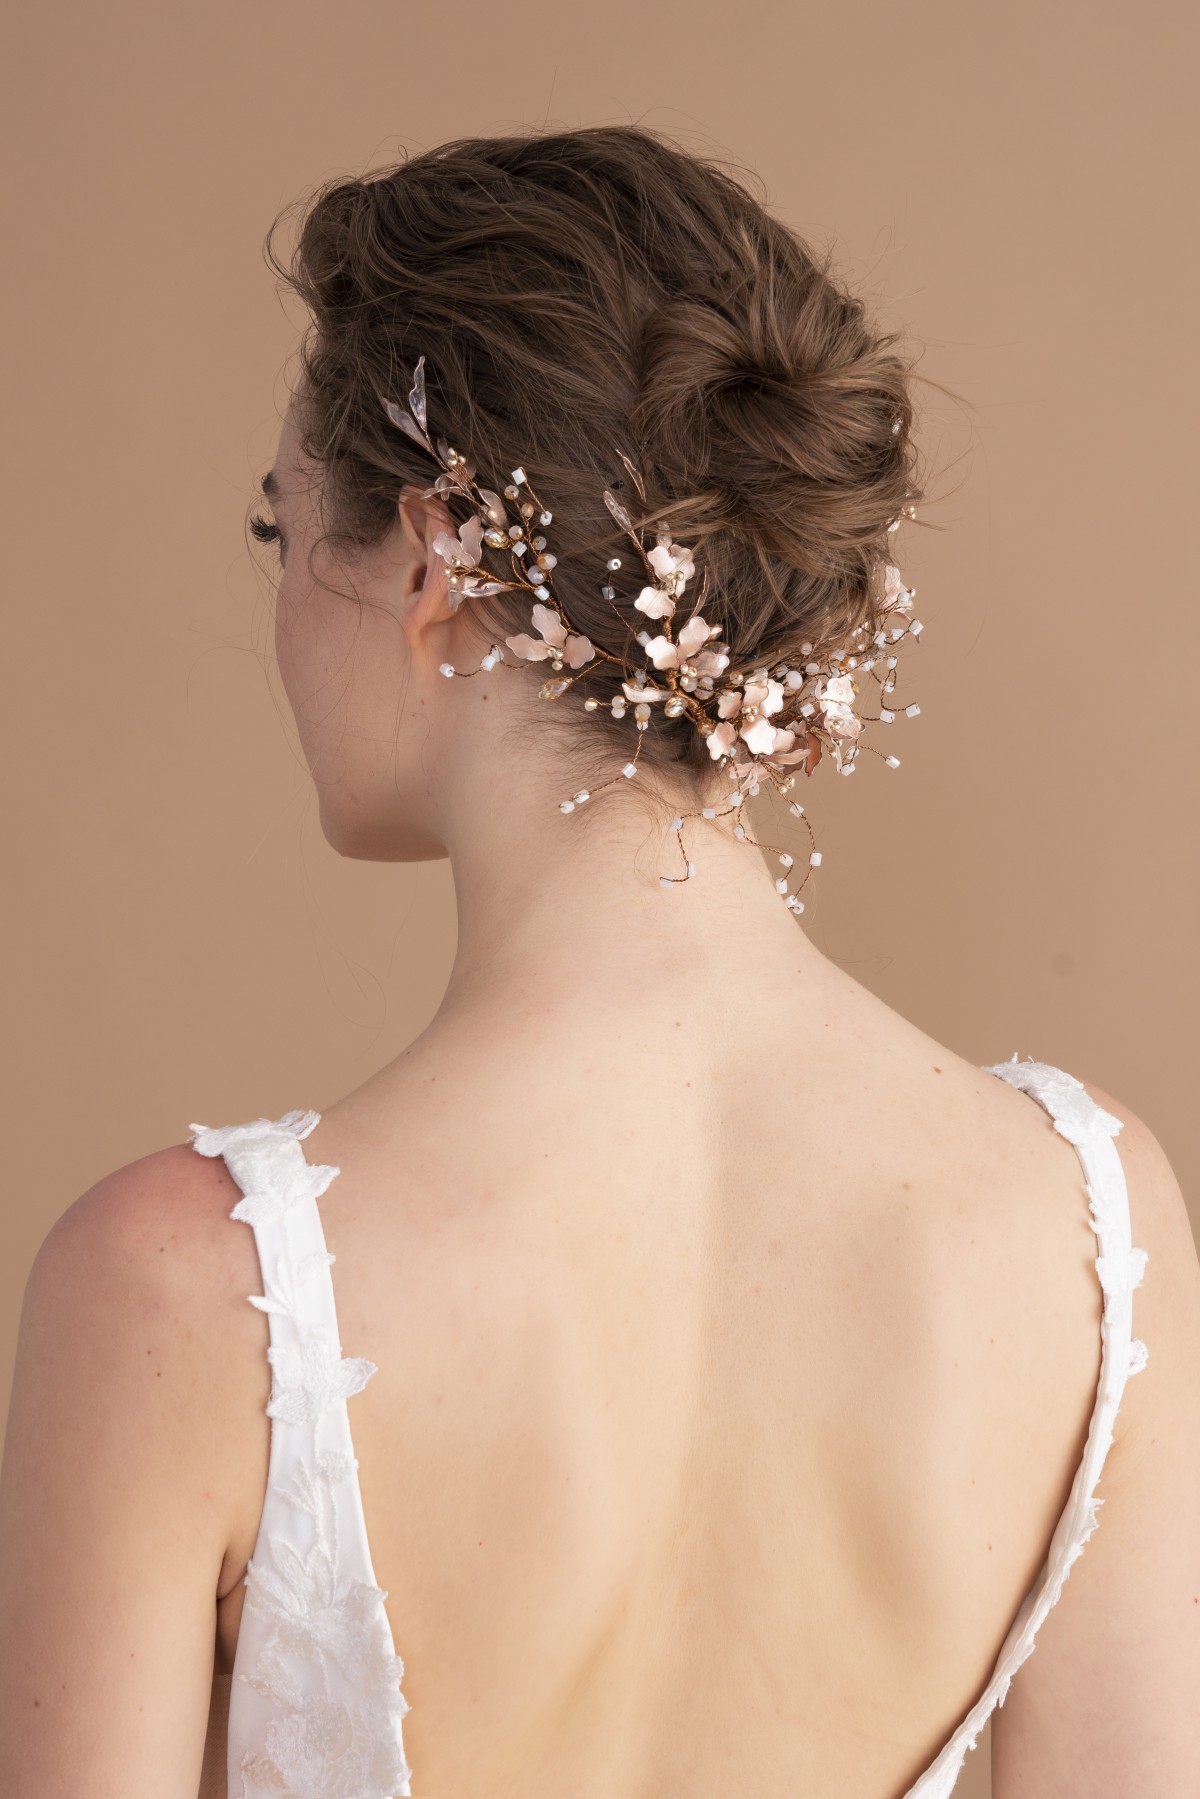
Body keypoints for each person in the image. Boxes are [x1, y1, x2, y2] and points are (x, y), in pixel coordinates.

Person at [1, 124, 1197, 1799]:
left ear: (432, 559)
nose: (276, 608)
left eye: (282, 529)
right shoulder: (1093, 1223)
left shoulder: (172, 1290)